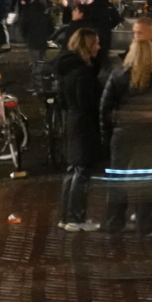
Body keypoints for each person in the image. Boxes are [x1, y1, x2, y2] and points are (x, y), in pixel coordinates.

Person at [100, 34, 152, 236]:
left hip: (122, 133)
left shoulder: (118, 75)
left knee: (118, 178)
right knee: (146, 179)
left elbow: (105, 106)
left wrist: (107, 133)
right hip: (149, 134)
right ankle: (145, 225)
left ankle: (113, 221)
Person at [54, 29, 105, 231]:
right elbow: (88, 103)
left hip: (73, 122)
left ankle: (66, 216)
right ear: (87, 46)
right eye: (96, 44)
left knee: (73, 170)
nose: (99, 47)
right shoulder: (83, 73)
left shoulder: (68, 69)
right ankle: (75, 218)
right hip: (84, 126)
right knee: (82, 171)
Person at [20, 0, 56, 69]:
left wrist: (25, 35)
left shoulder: (27, 10)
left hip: (31, 38)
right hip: (42, 39)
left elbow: (23, 25)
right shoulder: (45, 11)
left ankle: (37, 77)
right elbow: (51, 26)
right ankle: (43, 75)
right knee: (41, 57)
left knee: (34, 59)